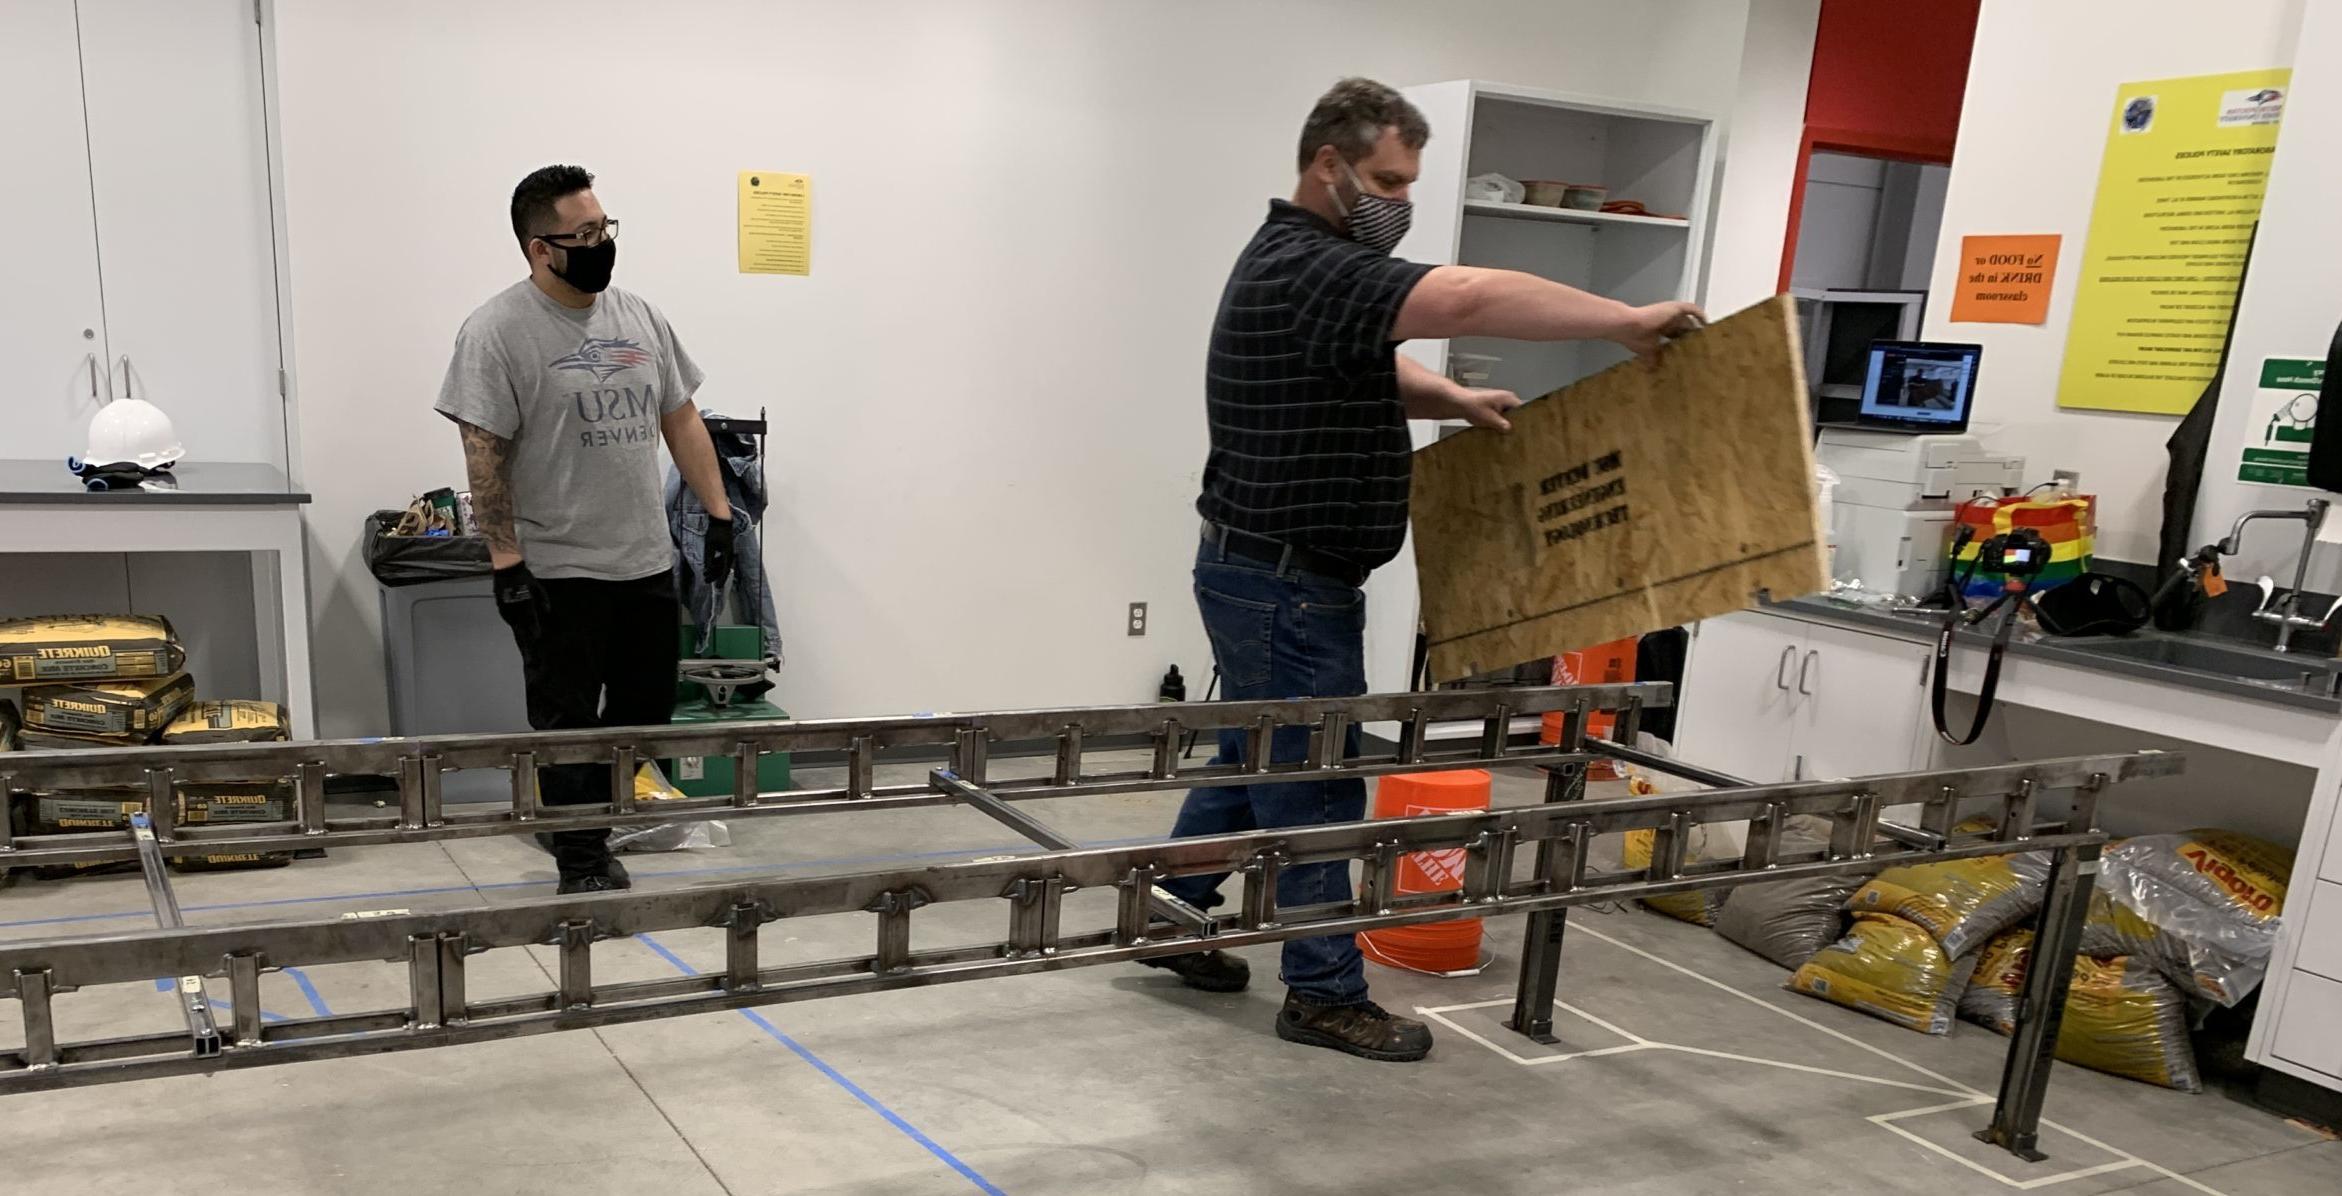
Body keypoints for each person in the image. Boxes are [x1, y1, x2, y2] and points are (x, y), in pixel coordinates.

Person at [1141, 79, 1704, 1061]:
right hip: (1284, 579)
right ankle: (1319, 991)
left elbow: (1368, 363)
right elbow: (1467, 293)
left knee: (1255, 755)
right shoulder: (1312, 263)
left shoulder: (1300, 267)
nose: (1396, 199)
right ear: (1329, 164)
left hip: (1262, 570)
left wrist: (1449, 397)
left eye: (1406, 181)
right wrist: (1621, 319)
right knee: (1314, 785)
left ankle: (1168, 907)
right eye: (1388, 178)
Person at [436, 164, 739, 894]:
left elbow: (681, 417)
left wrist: (720, 512)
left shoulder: (639, 317)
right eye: (585, 234)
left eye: (605, 229)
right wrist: (506, 563)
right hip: (557, 570)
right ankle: (580, 857)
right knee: (569, 726)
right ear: (541, 248)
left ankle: (583, 821)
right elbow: (484, 454)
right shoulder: (496, 332)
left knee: (644, 718)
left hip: (642, 561)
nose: (602, 244)